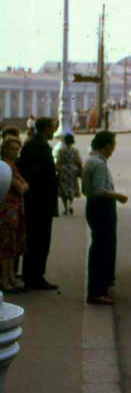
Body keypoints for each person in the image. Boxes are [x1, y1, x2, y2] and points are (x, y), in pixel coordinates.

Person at [82, 130, 127, 305]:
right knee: (102, 249)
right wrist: (118, 196)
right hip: (101, 207)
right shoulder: (99, 164)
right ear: (107, 145)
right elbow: (99, 190)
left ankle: (100, 288)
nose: (113, 149)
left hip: (93, 206)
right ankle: (97, 292)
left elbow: (87, 190)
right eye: (112, 145)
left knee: (100, 247)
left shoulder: (91, 160)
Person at [17, 117, 59, 290]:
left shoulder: (34, 143)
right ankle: (34, 277)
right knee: (39, 241)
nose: (54, 130)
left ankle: (32, 275)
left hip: (37, 202)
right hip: (39, 203)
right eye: (52, 127)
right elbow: (37, 175)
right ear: (45, 128)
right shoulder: (38, 145)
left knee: (36, 240)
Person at [0, 136, 28, 293]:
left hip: (14, 209)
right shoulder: (6, 167)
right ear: (4, 149)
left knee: (12, 247)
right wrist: (22, 185)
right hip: (7, 210)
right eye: (12, 148)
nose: (15, 152)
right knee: (6, 246)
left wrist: (23, 185)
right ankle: (5, 280)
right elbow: (21, 187)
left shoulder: (13, 166)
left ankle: (10, 278)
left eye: (17, 149)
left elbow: (24, 184)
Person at [56, 133, 82, 216]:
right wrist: (80, 170)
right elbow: (78, 161)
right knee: (72, 187)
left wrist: (57, 170)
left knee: (63, 189)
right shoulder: (75, 150)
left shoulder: (61, 150)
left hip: (63, 170)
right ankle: (71, 204)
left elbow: (58, 162)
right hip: (72, 170)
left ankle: (65, 208)